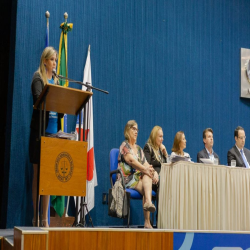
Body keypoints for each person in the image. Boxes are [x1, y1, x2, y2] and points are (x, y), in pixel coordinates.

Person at [29, 47, 63, 227]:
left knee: (48, 177)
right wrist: (54, 91)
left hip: (53, 134)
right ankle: (35, 217)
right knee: (37, 175)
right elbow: (38, 99)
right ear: (44, 61)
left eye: (56, 60)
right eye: (52, 60)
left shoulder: (56, 80)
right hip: (39, 134)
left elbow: (60, 105)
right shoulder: (38, 78)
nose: (54, 63)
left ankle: (45, 219)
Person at [118, 120, 157, 229]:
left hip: (138, 178)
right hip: (126, 178)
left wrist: (154, 173)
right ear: (127, 130)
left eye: (137, 129)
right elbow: (131, 161)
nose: (136, 132)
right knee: (147, 185)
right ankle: (147, 221)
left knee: (147, 178)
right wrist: (146, 169)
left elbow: (147, 164)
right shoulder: (124, 145)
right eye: (133, 129)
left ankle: (148, 209)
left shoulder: (139, 149)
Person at [143, 126, 167, 192]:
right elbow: (147, 165)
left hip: (162, 178)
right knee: (162, 184)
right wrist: (154, 173)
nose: (162, 139)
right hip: (153, 179)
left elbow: (166, 166)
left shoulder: (160, 150)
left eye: (162, 136)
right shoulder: (148, 147)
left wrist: (165, 153)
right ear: (154, 136)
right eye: (160, 136)